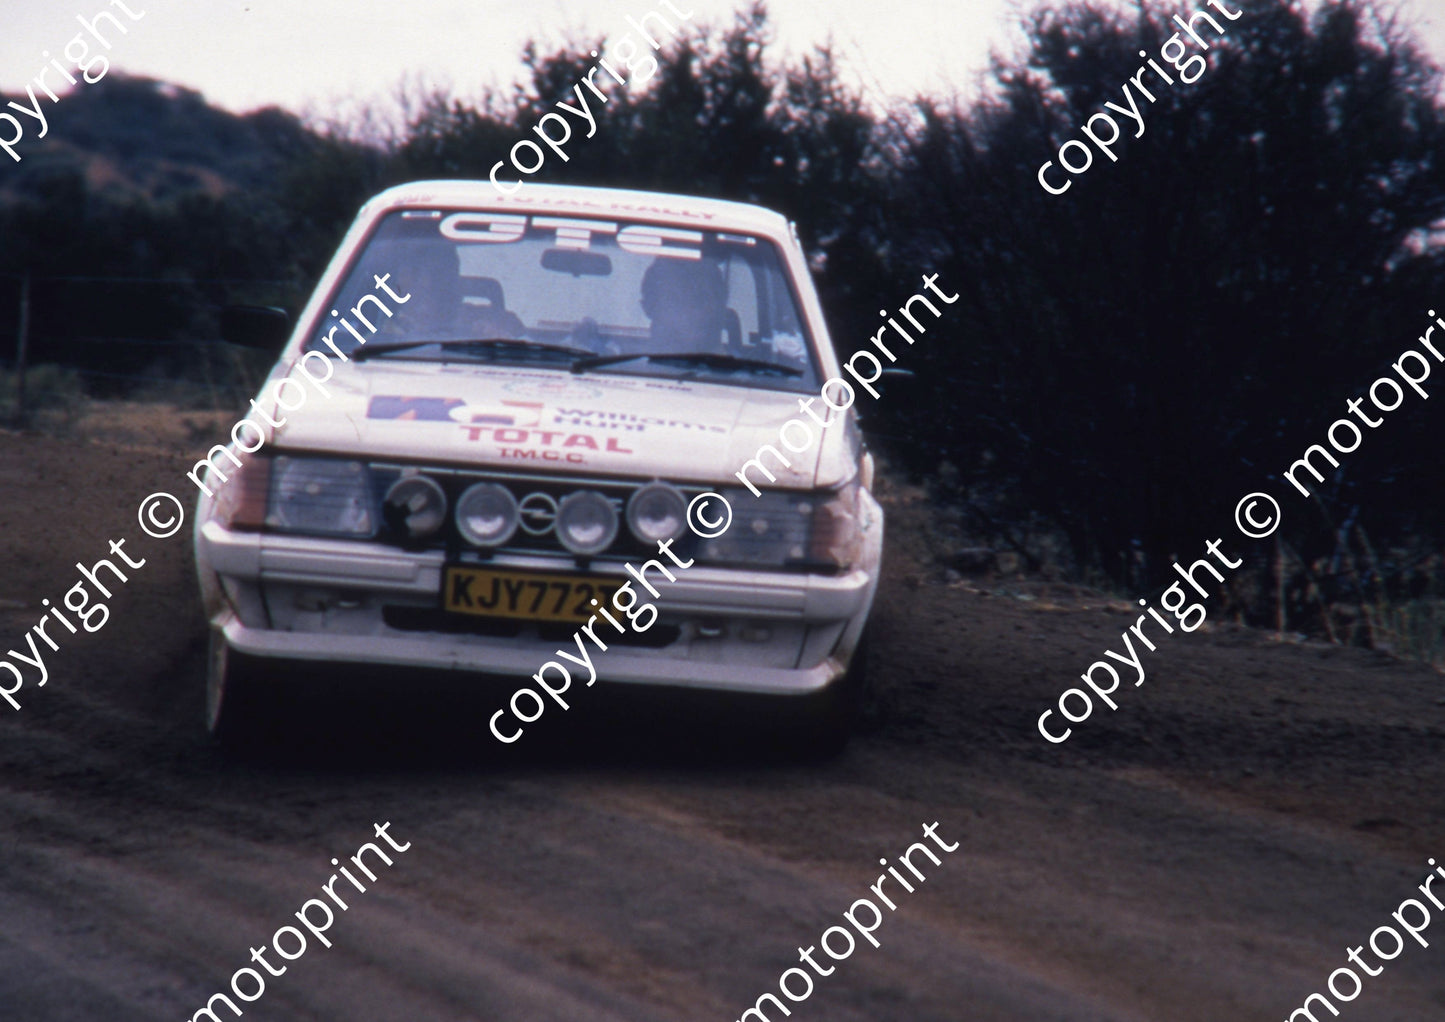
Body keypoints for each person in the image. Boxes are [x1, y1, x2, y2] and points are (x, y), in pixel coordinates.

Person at [639, 256, 728, 352]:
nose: (688, 310)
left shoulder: (741, 366)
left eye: (699, 299)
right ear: (649, 307)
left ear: (719, 306)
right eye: (674, 300)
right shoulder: (627, 365)